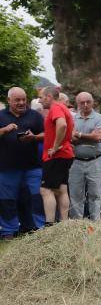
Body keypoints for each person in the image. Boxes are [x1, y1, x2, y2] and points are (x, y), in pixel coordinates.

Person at [0, 87, 45, 237]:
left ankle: (38, 228)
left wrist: (34, 137)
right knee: (7, 200)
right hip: (7, 167)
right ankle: (9, 230)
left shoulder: (35, 116)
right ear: (8, 101)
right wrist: (4, 130)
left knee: (35, 198)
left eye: (23, 99)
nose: (21, 103)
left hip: (32, 166)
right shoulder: (1, 116)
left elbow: (46, 134)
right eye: (17, 100)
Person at [68, 92, 101, 220]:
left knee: (95, 195)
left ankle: (95, 225)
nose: (85, 105)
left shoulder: (100, 118)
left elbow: (98, 137)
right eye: (82, 102)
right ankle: (76, 226)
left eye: (88, 102)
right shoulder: (72, 118)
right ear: (77, 104)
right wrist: (89, 136)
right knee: (75, 194)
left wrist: (78, 135)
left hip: (95, 161)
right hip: (76, 162)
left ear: (93, 102)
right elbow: (70, 138)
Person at [40, 86, 75, 225]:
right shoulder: (63, 107)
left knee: (45, 190)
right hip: (65, 154)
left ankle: (49, 225)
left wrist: (54, 147)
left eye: (42, 98)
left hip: (56, 155)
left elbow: (62, 125)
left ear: (49, 97)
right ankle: (65, 224)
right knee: (61, 189)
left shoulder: (55, 108)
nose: (40, 101)